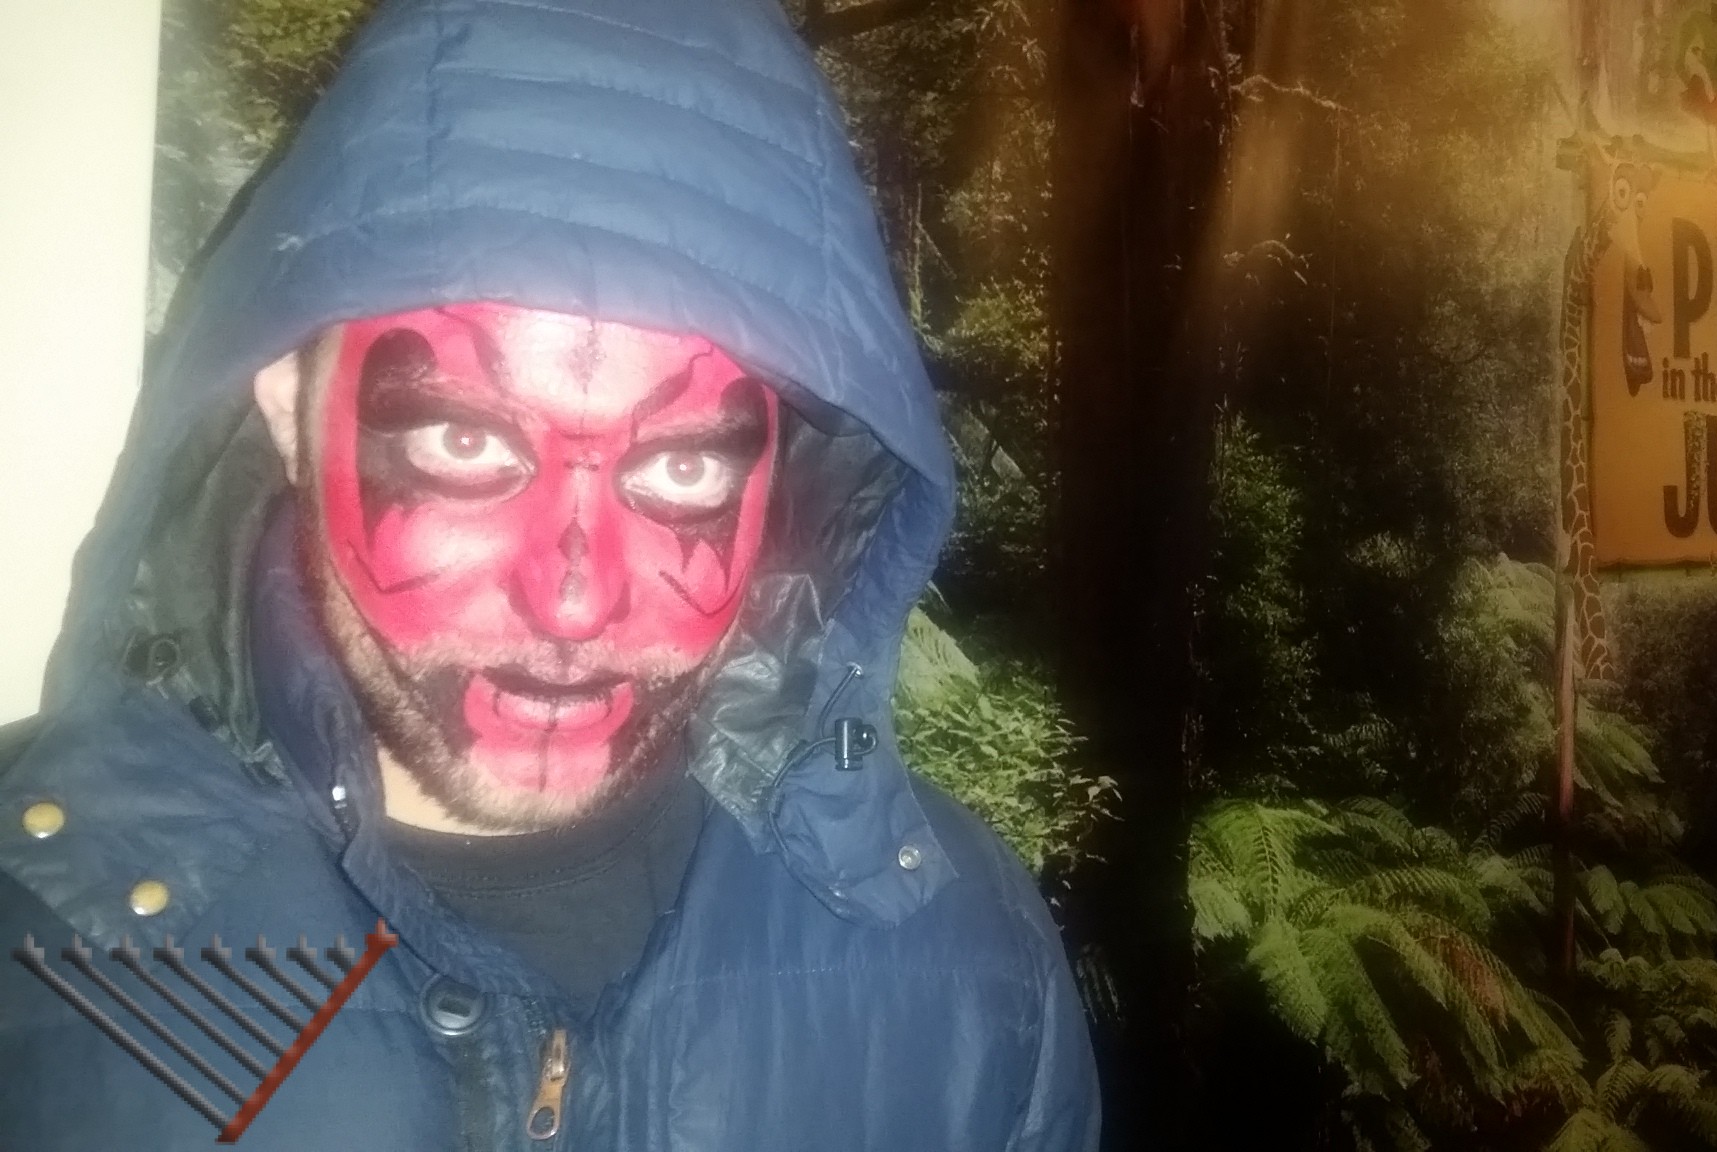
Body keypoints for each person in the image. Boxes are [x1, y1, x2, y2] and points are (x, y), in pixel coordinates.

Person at [0, 0, 1100, 1147]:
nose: (573, 603)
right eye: (462, 443)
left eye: (680, 466)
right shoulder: (26, 946)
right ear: (288, 403)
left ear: (781, 470)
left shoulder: (972, 966)